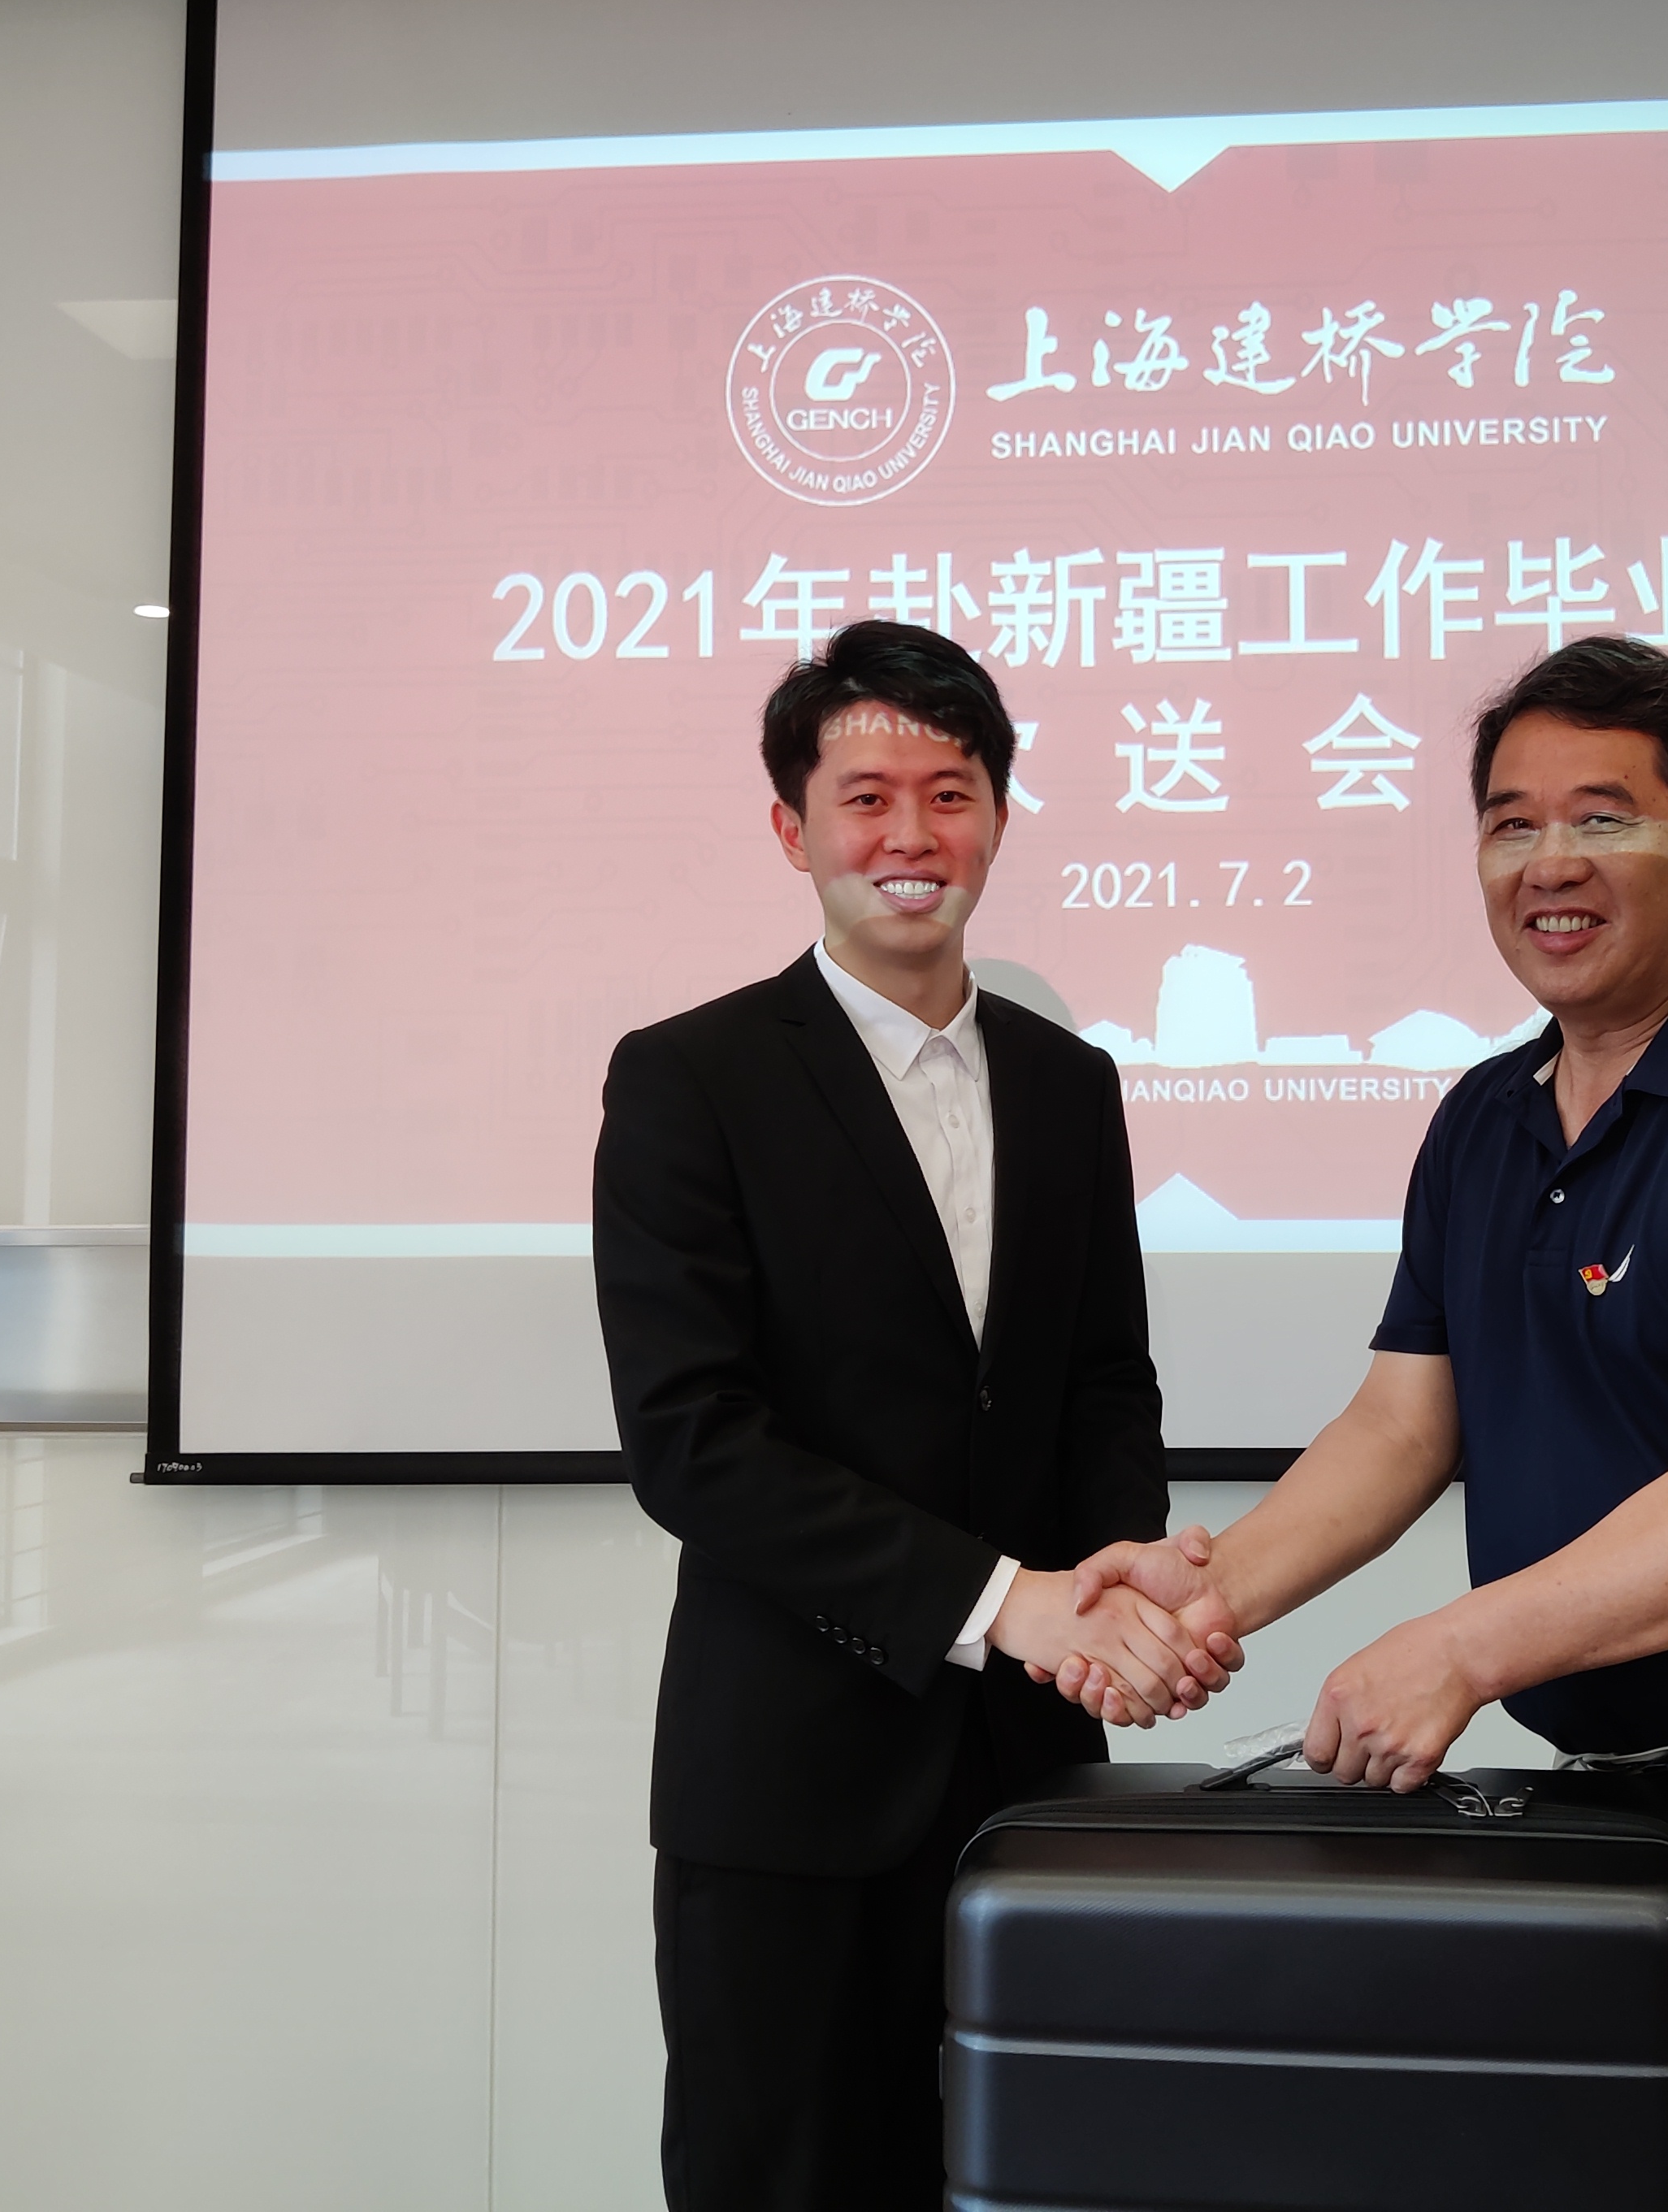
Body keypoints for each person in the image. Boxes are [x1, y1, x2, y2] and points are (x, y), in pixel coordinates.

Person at [1046, 638, 1668, 2212]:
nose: (1549, 864)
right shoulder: (1483, 1121)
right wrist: (1207, 1592)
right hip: (1613, 1826)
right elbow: (1403, 1426)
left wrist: (1459, 1649)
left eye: (1601, 817)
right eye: (1509, 825)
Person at [591, 619, 1236, 2212]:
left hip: (1033, 1769)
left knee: (1039, 2180)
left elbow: (1103, 1380)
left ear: (997, 819)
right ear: (791, 827)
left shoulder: (1070, 1084)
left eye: (949, 794)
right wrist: (1004, 1601)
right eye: (865, 797)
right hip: (788, 1787)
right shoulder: (689, 1079)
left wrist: (1119, 1582)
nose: (909, 834)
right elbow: (692, 1442)